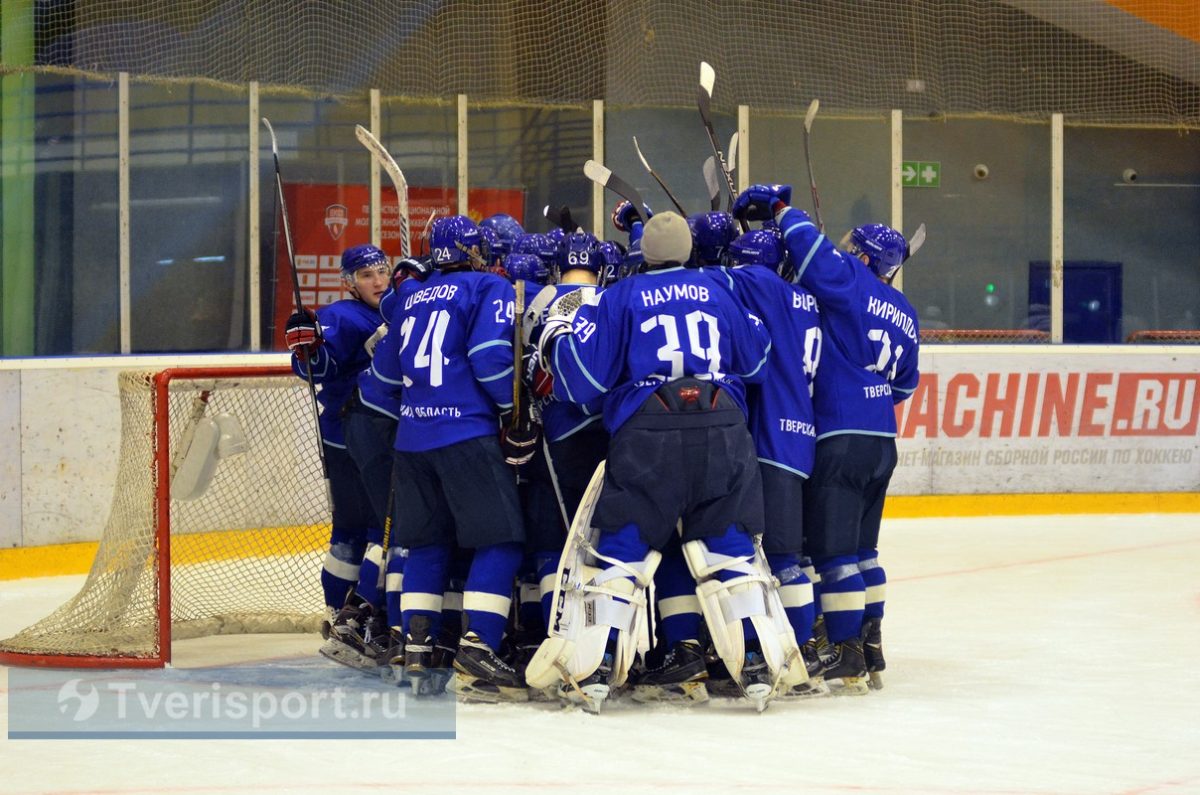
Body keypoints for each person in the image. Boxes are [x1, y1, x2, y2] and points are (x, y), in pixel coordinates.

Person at [527, 211, 803, 710]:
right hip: (722, 429)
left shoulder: (620, 296)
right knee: (730, 553)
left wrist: (558, 337)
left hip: (649, 433)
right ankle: (760, 665)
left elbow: (579, 382)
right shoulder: (720, 290)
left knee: (621, 557)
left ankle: (594, 671)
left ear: (641, 255)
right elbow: (759, 362)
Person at [734, 184, 920, 693]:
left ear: (862, 255)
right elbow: (905, 383)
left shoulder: (850, 284)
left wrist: (779, 208)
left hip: (839, 434)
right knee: (864, 553)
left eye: (850, 245)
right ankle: (872, 642)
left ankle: (847, 652)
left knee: (833, 555)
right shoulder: (904, 310)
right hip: (882, 439)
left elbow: (810, 250)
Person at [370, 215, 532, 702]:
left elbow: (385, 376)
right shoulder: (487, 286)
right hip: (466, 434)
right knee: (502, 539)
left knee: (426, 544)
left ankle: (417, 649)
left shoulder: (409, 297)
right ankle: (479, 648)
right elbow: (487, 354)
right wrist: (512, 412)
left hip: (413, 441)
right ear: (472, 249)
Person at [701, 228, 827, 697]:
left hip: (768, 440)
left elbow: (701, 279)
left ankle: (786, 654)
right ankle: (804, 648)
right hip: (799, 441)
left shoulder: (762, 283)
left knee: (768, 556)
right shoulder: (803, 298)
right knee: (790, 555)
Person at [284, 244, 391, 655]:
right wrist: (307, 348)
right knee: (361, 529)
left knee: (356, 530)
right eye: (366, 275)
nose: (377, 280)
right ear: (348, 283)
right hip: (353, 435)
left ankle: (346, 615)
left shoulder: (390, 309)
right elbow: (317, 368)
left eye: (381, 271)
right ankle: (347, 615)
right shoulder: (341, 315)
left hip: (359, 433)